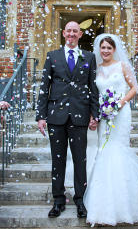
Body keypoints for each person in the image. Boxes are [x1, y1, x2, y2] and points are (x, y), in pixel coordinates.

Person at [36, 21, 99, 218]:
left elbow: (93, 87)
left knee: (80, 159)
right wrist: (41, 116)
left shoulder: (89, 57)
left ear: (80, 34)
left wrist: (95, 114)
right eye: (69, 31)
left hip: (80, 114)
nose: (71, 34)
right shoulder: (52, 56)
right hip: (56, 116)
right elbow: (44, 87)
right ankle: (58, 200)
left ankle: (80, 199)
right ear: (64, 33)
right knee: (58, 159)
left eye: (75, 31)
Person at [84, 33, 138, 226]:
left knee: (118, 149)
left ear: (114, 50)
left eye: (109, 48)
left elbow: (134, 88)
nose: (105, 51)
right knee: (104, 151)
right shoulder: (95, 69)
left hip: (121, 113)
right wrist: (95, 113)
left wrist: (119, 103)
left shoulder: (122, 66)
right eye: (103, 48)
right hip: (104, 115)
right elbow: (93, 94)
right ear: (99, 49)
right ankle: (102, 204)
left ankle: (125, 202)